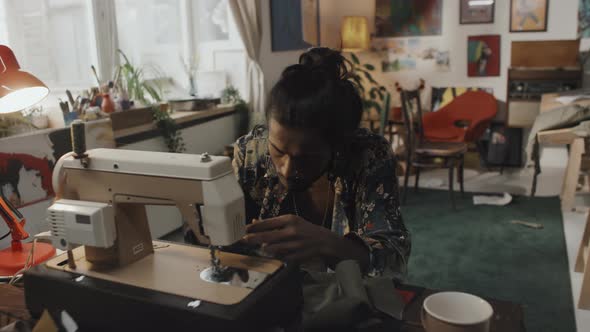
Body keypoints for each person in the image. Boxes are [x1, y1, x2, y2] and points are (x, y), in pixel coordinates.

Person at [233, 47, 410, 278]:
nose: (287, 169)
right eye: (278, 150)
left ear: (338, 145)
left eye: (307, 157)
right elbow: (230, 237)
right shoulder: (250, 152)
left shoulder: (369, 156)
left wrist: (328, 244)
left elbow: (394, 260)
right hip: (269, 289)